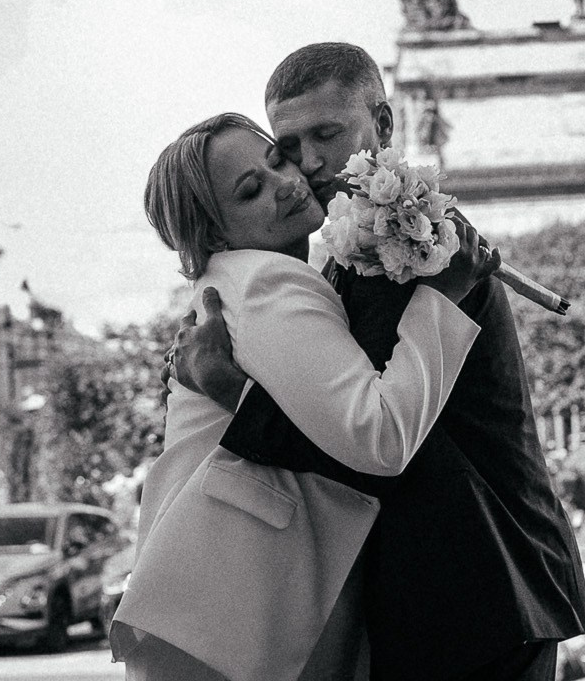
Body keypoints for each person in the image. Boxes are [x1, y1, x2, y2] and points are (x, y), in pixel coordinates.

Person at [174, 43, 585, 681]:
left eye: (327, 134)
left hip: (484, 585)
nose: (309, 163)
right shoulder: (352, 250)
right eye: (290, 145)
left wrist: (231, 391)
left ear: (384, 125)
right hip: (460, 592)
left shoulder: (423, 245)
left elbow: (373, 444)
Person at [113, 111, 493, 681]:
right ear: (213, 233)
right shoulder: (266, 282)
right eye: (251, 190)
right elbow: (381, 436)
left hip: (223, 605)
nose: (287, 182)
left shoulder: (239, 280)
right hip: (251, 603)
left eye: (276, 160)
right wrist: (442, 299)